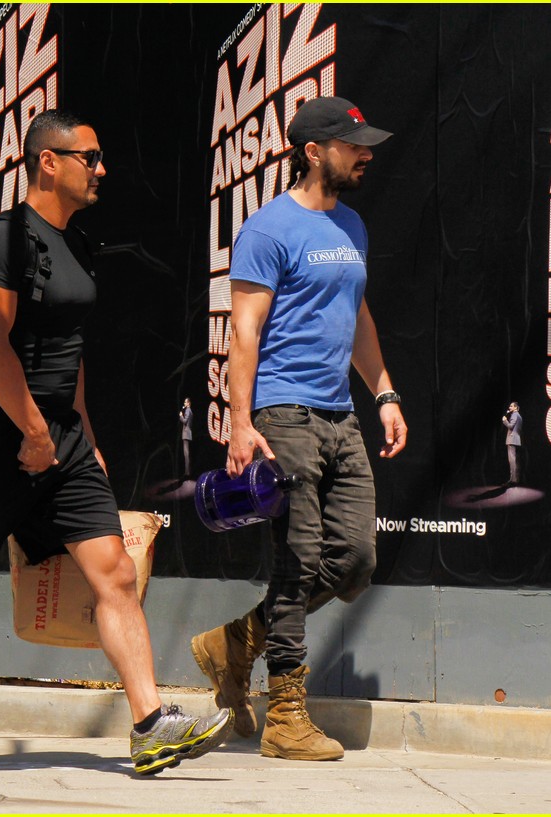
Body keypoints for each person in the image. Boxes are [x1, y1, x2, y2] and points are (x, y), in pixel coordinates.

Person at [0, 110, 231, 777]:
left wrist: (80, 431)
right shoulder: (3, 241)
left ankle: (150, 723)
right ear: (47, 162)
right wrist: (33, 430)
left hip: (60, 440)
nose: (101, 170)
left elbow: (70, 347)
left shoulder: (76, 243)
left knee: (115, 572)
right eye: (89, 157)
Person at [190, 97, 406, 761]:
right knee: (298, 557)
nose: (365, 154)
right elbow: (244, 332)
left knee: (357, 559)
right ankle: (286, 714)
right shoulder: (267, 230)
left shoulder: (352, 225)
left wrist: (385, 392)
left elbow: (358, 317)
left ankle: (234, 642)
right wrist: (240, 423)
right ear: (313, 151)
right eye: (353, 145)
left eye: (366, 144)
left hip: (340, 413)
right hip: (283, 413)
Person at [502, 402, 521, 484]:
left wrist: (505, 420)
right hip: (515, 439)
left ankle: (513, 480)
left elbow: (510, 426)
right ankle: (515, 479)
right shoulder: (519, 416)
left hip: (512, 439)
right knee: (514, 460)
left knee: (512, 460)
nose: (509, 407)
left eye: (511, 406)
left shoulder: (514, 415)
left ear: (515, 408)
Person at [179, 397, 194, 477]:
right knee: (187, 454)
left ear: (188, 403)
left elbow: (185, 421)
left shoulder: (188, 410)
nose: (184, 403)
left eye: (185, 402)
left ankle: (187, 472)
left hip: (186, 434)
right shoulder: (190, 411)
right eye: (184, 402)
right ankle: (187, 471)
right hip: (188, 433)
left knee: (186, 454)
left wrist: (181, 416)